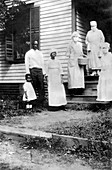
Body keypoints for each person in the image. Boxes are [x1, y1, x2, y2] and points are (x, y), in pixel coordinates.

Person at [25, 40, 46, 107]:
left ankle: (41, 102)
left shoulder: (40, 53)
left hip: (39, 70)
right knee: (34, 86)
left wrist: (44, 72)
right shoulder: (28, 53)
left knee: (41, 86)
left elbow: (42, 63)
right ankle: (33, 103)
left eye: (37, 44)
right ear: (32, 45)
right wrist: (28, 72)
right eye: (34, 44)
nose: (35, 46)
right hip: (32, 70)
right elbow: (27, 63)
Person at [66, 31, 85, 95]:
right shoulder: (70, 44)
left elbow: (81, 52)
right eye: (74, 37)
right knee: (73, 76)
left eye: (76, 37)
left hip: (79, 61)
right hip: (72, 61)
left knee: (79, 76)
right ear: (72, 38)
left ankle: (79, 89)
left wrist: (83, 56)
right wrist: (71, 57)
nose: (75, 38)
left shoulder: (80, 44)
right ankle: (72, 90)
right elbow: (67, 53)